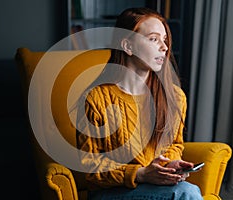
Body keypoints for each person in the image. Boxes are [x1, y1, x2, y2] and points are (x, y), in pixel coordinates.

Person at [75, 7, 203, 200]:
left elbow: (175, 144)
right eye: (153, 39)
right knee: (188, 193)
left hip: (155, 187)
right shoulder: (96, 99)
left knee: (187, 191)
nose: (164, 47)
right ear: (128, 46)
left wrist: (169, 164)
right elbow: (90, 169)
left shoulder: (174, 96)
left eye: (165, 40)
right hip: (111, 191)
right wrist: (140, 174)